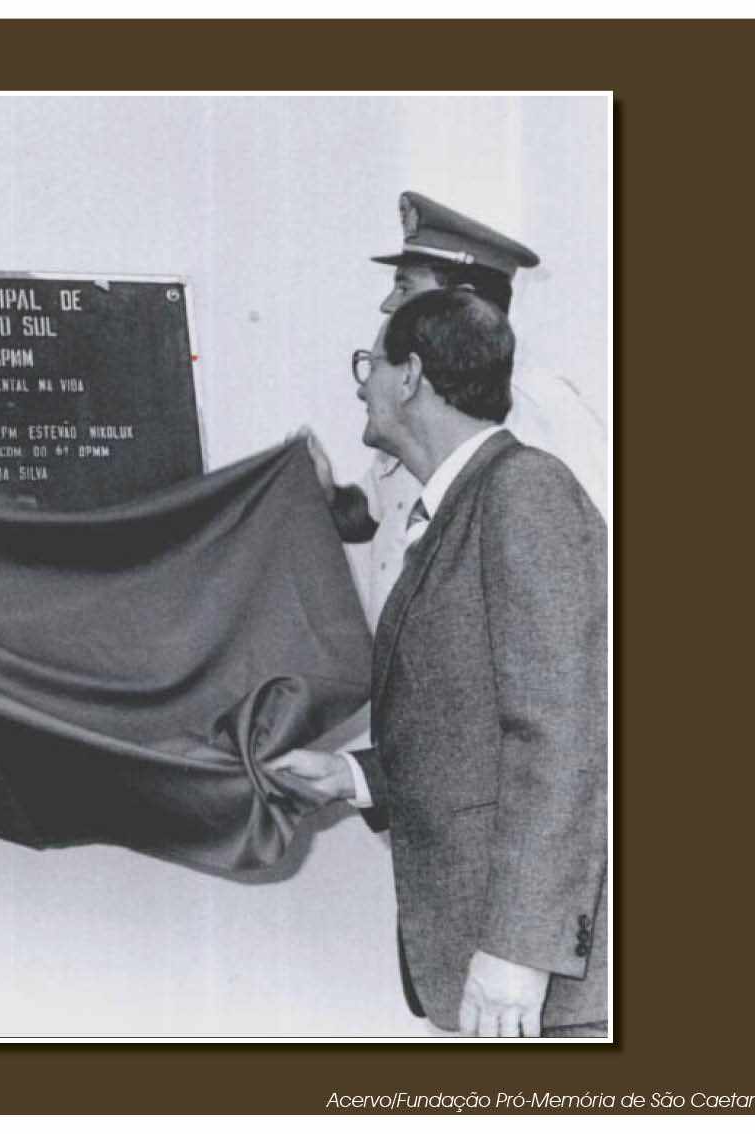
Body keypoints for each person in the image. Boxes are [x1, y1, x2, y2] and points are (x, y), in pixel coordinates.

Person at [265, 289, 606, 1038]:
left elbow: (565, 736)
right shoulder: (458, 505)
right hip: (485, 969)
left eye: (371, 366)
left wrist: (519, 951)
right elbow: (470, 730)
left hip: (532, 986)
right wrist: (352, 777)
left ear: (411, 376)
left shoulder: (524, 489)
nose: (362, 386)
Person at [302, 191, 607, 628]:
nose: (388, 305)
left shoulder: (539, 407)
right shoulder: (422, 397)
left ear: (462, 304)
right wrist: (330, 496)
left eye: (405, 287)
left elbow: (586, 574)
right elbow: (375, 514)